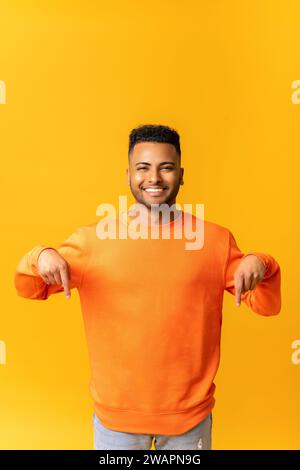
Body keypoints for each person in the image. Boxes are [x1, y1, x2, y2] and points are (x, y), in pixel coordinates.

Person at [14, 124, 281, 450]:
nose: (154, 178)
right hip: (116, 423)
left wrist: (262, 262)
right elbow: (28, 287)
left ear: (181, 175)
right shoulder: (92, 241)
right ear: (128, 175)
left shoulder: (215, 241)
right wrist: (40, 255)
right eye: (143, 168)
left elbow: (267, 306)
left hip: (189, 420)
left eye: (166, 168)